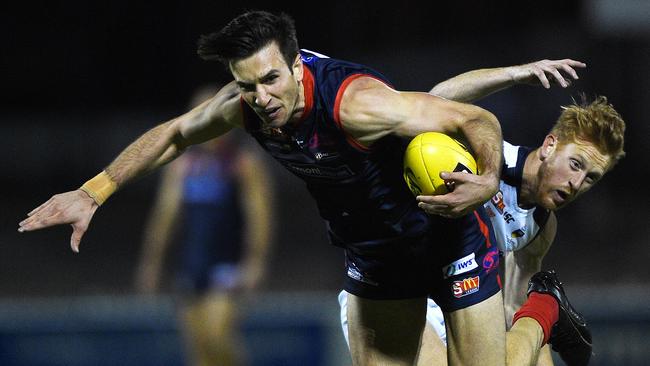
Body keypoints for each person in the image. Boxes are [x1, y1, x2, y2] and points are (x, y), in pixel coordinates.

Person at [18, 10, 508, 365]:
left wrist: (486, 181)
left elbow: (473, 117)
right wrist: (91, 193)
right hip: (375, 254)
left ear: (297, 66)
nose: (262, 97)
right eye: (247, 85)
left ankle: (542, 316)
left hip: (448, 241)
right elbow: (175, 133)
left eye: (272, 79)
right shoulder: (244, 103)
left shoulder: (356, 105)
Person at [339, 60, 626, 366]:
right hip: (392, 282)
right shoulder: (484, 153)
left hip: (464, 304)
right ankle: (549, 305)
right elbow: (440, 99)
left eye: (591, 178)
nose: (577, 183)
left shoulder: (540, 227)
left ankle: (548, 305)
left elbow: (517, 310)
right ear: (549, 146)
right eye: (576, 164)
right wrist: (514, 74)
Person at [134, 86, 274, 366]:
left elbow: (260, 217)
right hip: (192, 263)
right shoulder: (184, 165)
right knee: (199, 349)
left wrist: (256, 262)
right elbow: (165, 216)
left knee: (217, 337)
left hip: (228, 262)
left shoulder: (242, 163)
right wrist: (151, 262)